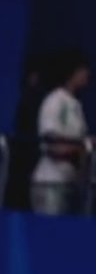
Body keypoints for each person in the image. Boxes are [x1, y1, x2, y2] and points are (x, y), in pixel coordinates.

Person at [30, 47, 91, 216]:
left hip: (69, 184)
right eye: (83, 70)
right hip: (50, 182)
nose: (87, 74)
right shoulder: (54, 101)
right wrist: (84, 146)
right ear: (72, 72)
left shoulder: (76, 106)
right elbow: (53, 146)